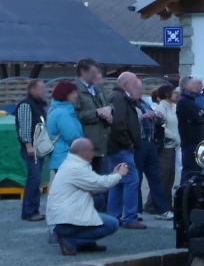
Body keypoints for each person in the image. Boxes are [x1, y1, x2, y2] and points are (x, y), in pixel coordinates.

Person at [46, 138, 129, 256]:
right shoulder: (76, 168)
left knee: (98, 199)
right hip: (64, 220)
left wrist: (113, 175)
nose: (93, 154)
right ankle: (70, 240)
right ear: (84, 152)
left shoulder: (71, 164)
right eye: (92, 151)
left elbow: (94, 184)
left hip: (63, 217)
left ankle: (84, 242)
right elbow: (101, 184)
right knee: (112, 224)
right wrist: (120, 175)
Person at [106, 72, 146, 229]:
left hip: (118, 147)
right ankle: (130, 217)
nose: (137, 87)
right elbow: (118, 124)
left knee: (117, 181)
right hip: (121, 148)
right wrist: (128, 143)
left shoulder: (119, 97)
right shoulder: (119, 98)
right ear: (125, 84)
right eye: (134, 84)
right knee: (131, 180)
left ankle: (114, 217)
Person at [75, 59, 113, 212]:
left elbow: (108, 104)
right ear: (83, 72)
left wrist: (109, 109)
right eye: (93, 72)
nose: (96, 75)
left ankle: (103, 213)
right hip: (87, 144)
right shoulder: (75, 90)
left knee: (103, 181)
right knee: (89, 184)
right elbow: (76, 116)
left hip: (103, 143)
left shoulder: (97, 88)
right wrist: (97, 113)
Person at [14, 79, 47, 222]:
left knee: (35, 179)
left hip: (38, 148)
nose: (44, 91)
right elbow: (25, 127)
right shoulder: (26, 105)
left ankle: (32, 210)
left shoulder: (38, 104)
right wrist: (29, 146)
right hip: (32, 149)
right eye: (42, 88)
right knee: (34, 178)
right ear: (33, 89)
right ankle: (30, 212)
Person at [136, 92, 173, 219]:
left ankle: (162, 210)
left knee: (156, 177)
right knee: (137, 179)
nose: (140, 91)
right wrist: (142, 117)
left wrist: (158, 116)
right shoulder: (128, 104)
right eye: (137, 88)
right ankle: (136, 211)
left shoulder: (144, 103)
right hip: (138, 143)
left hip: (151, 142)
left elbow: (156, 121)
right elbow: (126, 121)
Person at [46, 80, 84, 182]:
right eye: (73, 93)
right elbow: (72, 136)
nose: (76, 95)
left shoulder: (55, 110)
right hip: (65, 157)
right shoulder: (62, 113)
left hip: (59, 157)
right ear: (65, 94)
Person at [177, 76, 204, 185]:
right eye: (192, 83)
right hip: (189, 140)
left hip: (198, 139)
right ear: (185, 86)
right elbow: (197, 117)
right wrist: (201, 114)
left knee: (198, 168)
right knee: (190, 169)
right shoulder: (183, 101)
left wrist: (202, 114)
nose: (195, 85)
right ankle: (185, 190)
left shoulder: (192, 100)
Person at [152, 85, 180, 212]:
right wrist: (173, 137)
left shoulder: (169, 107)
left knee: (170, 177)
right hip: (166, 146)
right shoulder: (162, 108)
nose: (176, 94)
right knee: (163, 176)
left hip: (172, 146)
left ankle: (167, 204)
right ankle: (153, 204)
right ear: (167, 94)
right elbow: (160, 127)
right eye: (173, 92)